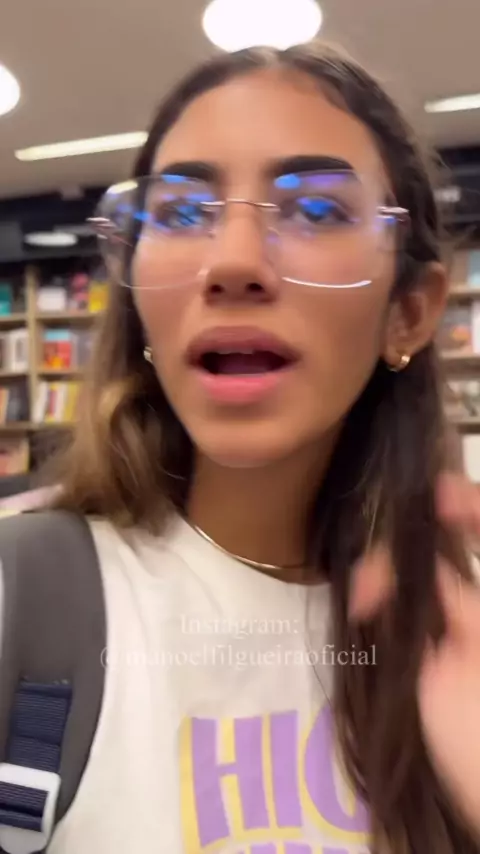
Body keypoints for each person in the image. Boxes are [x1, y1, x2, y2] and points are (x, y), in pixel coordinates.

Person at [5, 42, 480, 854]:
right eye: (181, 213)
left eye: (317, 210)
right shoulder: (24, 595)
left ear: (408, 312)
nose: (231, 263)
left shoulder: (456, 620)